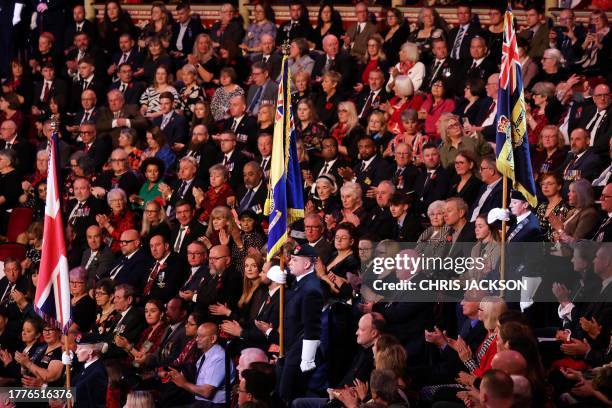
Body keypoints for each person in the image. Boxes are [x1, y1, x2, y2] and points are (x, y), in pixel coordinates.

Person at [278, 244, 323, 403]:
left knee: (289, 393)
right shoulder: (301, 281)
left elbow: (312, 325)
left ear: (306, 264)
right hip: (291, 346)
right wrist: (279, 273)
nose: (289, 261)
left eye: (295, 260)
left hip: (300, 350)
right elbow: (292, 279)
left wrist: (307, 358)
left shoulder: (311, 289)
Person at [169, 322, 234, 406]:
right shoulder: (207, 353)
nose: (196, 339)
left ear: (213, 338)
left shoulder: (219, 357)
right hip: (200, 401)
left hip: (214, 404)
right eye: (197, 336)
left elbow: (206, 392)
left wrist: (183, 383)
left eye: (201, 336)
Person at [72, 333, 108, 408]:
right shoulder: (85, 367)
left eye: (80, 348)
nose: (76, 352)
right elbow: (72, 391)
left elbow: (97, 404)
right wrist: (42, 395)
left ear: (90, 351)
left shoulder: (98, 372)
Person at [535, 172, 571, 242]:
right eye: (543, 184)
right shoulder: (542, 206)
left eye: (550, 184)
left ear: (559, 186)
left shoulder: (565, 207)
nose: (545, 187)